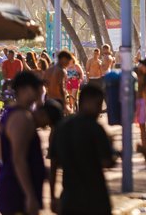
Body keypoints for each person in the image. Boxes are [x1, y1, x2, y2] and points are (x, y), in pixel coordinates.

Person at [0, 72, 61, 215]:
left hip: (15, 188)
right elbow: (18, 159)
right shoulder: (21, 118)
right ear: (24, 89)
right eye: (37, 89)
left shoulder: (15, 114)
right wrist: (29, 195)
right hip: (17, 192)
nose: (40, 93)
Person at [50, 83, 115, 215]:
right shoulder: (95, 129)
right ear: (86, 101)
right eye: (98, 105)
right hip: (95, 200)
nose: (98, 110)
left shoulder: (61, 126)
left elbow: (53, 164)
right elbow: (107, 162)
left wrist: (52, 197)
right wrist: (111, 146)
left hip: (69, 199)